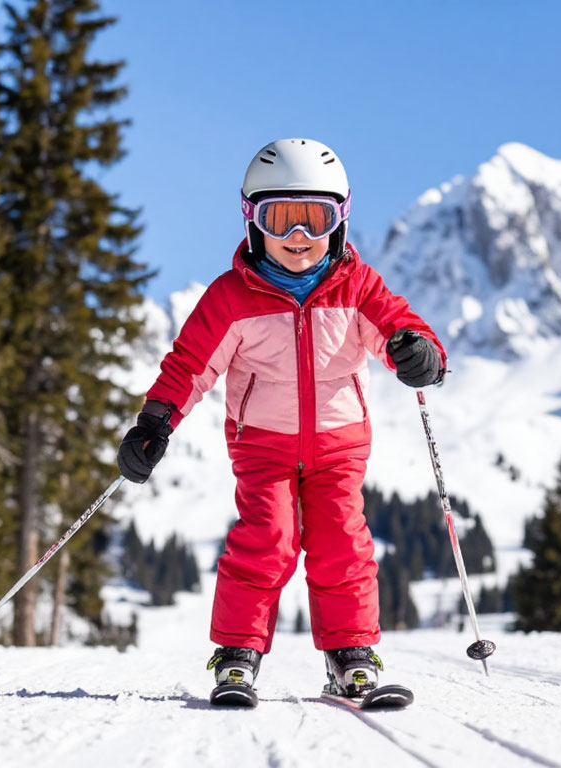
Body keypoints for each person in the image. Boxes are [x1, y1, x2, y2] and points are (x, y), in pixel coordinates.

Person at [117, 138, 445, 703]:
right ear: (252, 221)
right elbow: (189, 366)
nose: (299, 239)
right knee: (267, 539)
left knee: (342, 541)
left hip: (338, 444)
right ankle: (238, 653)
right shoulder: (230, 298)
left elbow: (399, 326)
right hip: (263, 447)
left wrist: (419, 353)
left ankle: (351, 655)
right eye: (282, 220)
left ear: (339, 222)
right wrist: (155, 423)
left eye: (314, 221)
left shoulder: (356, 287)